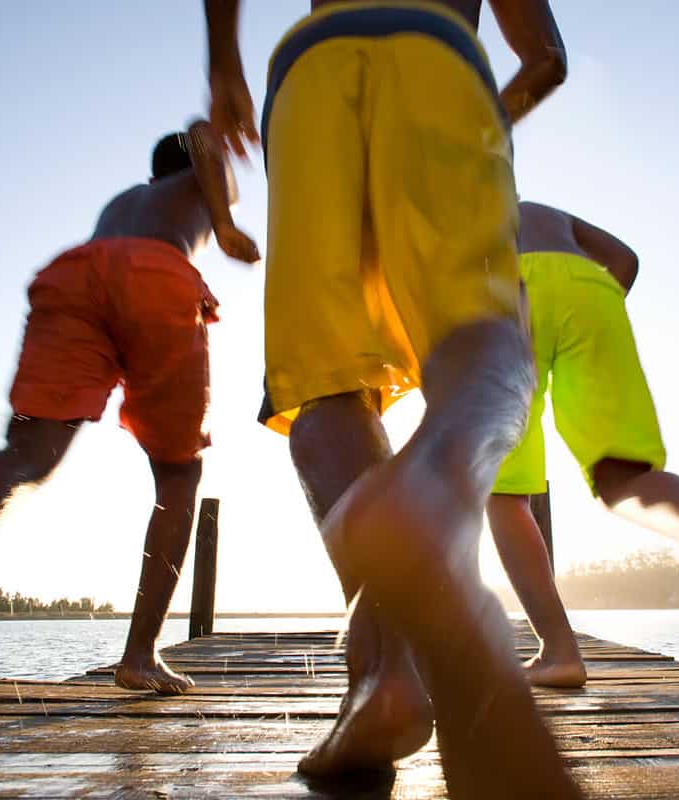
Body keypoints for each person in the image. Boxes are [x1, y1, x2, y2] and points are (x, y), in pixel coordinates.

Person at [203, 1, 583, 796]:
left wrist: (224, 65)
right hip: (440, 54)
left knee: (327, 385)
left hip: (309, 66)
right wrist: (485, 125)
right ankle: (436, 479)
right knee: (485, 342)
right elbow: (546, 55)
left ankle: (384, 677)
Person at [0, 121, 260, 750]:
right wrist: (222, 223)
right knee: (179, 474)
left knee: (26, 456)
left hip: (76, 275)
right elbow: (203, 136)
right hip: (155, 277)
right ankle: (139, 655)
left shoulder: (125, 202)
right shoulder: (194, 184)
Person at [487, 201, 679, 689]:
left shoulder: (464, 210)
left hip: (504, 294)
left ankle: (559, 651)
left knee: (504, 494)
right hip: (590, 291)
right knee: (624, 477)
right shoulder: (541, 212)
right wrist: (591, 309)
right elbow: (625, 259)